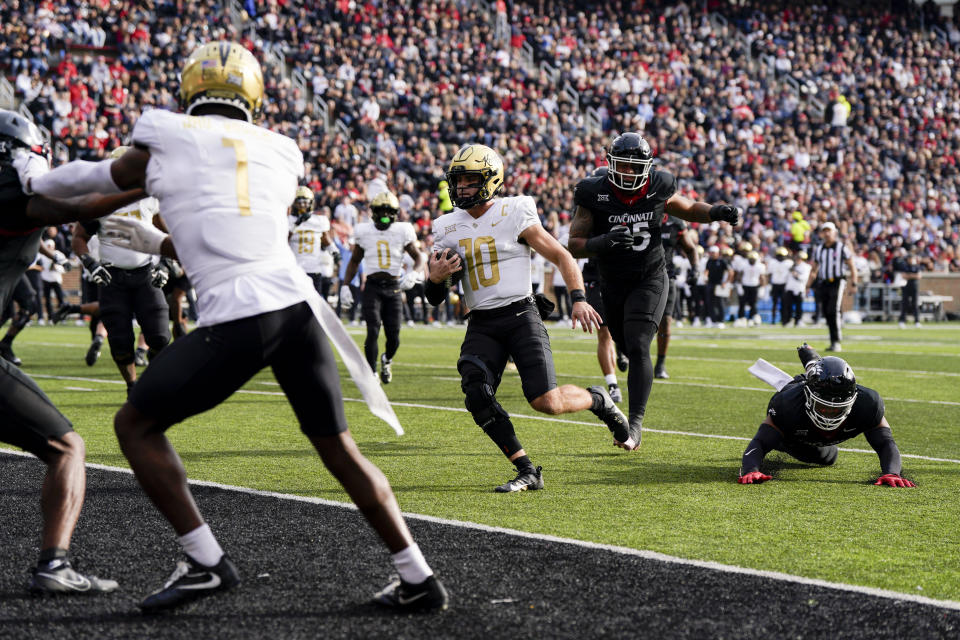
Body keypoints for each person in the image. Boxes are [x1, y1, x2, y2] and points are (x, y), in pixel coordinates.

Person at [28, 42, 447, 613]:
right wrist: (157, 241)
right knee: (340, 449)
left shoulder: (169, 136)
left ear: (190, 90)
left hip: (243, 311)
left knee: (134, 424)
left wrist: (28, 184)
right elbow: (224, 230)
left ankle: (204, 559)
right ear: (252, 94)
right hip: (295, 309)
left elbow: (91, 180)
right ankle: (417, 574)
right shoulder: (281, 150)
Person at [426, 143, 629, 491]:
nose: (461, 188)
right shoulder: (445, 226)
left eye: (470, 181)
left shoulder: (514, 210)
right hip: (482, 322)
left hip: (521, 314)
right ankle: (527, 469)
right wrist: (434, 277)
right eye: (458, 181)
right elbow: (433, 298)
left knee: (546, 402)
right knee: (476, 391)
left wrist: (578, 299)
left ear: (491, 180)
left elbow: (563, 256)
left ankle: (598, 399)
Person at [1, 107, 138, 594]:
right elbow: (74, 206)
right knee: (67, 447)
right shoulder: (11, 196)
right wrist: (148, 185)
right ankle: (52, 567)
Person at [568, 133, 742, 448]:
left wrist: (716, 212)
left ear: (647, 167)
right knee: (623, 342)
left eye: (636, 167)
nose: (629, 173)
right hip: (612, 280)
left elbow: (687, 208)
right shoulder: (593, 192)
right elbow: (575, 245)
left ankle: (634, 426)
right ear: (611, 164)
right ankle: (629, 390)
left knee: (637, 346)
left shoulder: (660, 185)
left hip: (650, 275)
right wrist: (603, 242)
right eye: (623, 166)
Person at [738, 344, 915, 488]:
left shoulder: (868, 403)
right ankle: (810, 364)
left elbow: (885, 442)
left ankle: (812, 362)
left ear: (852, 400)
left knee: (828, 458)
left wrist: (892, 472)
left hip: (815, 412)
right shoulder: (787, 404)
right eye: (823, 407)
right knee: (791, 398)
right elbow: (760, 441)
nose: (829, 413)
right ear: (809, 397)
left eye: (837, 409)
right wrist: (750, 469)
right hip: (796, 409)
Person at [70, 146, 171, 396]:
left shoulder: (150, 198)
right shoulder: (101, 201)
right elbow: (79, 237)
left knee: (160, 337)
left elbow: (169, 235)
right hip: (112, 278)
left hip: (145, 274)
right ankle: (133, 388)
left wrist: (166, 263)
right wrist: (91, 264)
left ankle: (151, 382)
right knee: (120, 343)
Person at [341, 190, 422, 384]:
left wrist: (413, 273)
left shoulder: (402, 230)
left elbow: (418, 257)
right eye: (381, 211)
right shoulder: (364, 231)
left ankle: (387, 359)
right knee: (373, 330)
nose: (385, 216)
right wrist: (345, 285)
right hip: (373, 287)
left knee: (394, 335)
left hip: (394, 287)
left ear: (395, 213)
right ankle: (372, 373)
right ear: (373, 212)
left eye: (389, 211)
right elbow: (354, 261)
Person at [654, 213, 698, 379]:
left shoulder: (676, 222)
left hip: (666, 276)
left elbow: (691, 248)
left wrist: (695, 269)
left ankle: (660, 364)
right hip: (640, 277)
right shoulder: (640, 211)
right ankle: (624, 350)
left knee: (665, 322)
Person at [806, 221, 858, 352]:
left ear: (835, 232)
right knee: (826, 312)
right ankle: (833, 340)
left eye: (829, 231)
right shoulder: (819, 249)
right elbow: (814, 269)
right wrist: (808, 285)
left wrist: (854, 282)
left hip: (837, 281)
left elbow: (852, 266)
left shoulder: (841, 248)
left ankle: (836, 340)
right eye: (825, 231)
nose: (827, 233)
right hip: (824, 282)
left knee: (833, 310)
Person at [288, 185, 340, 302]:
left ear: (311, 203)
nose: (302, 205)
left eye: (305, 202)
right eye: (299, 202)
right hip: (295, 269)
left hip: (313, 269)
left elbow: (326, 240)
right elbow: (284, 241)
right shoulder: (289, 220)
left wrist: (335, 252)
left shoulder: (319, 220)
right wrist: (296, 224)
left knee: (313, 304)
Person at [782, 250, 812, 327]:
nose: (797, 259)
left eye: (799, 258)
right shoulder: (792, 265)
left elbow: (803, 277)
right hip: (790, 288)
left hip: (799, 288)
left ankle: (798, 320)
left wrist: (796, 274)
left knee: (799, 306)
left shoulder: (806, 267)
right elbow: (787, 276)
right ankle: (788, 320)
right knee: (788, 306)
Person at [893, 249, 921, 328]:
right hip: (905, 286)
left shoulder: (916, 266)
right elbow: (903, 275)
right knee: (904, 303)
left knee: (915, 304)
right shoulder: (904, 266)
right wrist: (912, 276)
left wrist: (909, 275)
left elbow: (919, 276)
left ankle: (917, 321)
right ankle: (902, 320)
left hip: (914, 286)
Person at [767, 246, 792, 324]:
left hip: (784, 285)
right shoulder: (772, 262)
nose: (780, 257)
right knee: (774, 303)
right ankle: (773, 320)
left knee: (784, 303)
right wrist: (768, 284)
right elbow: (769, 274)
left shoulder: (789, 263)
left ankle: (784, 319)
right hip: (775, 284)